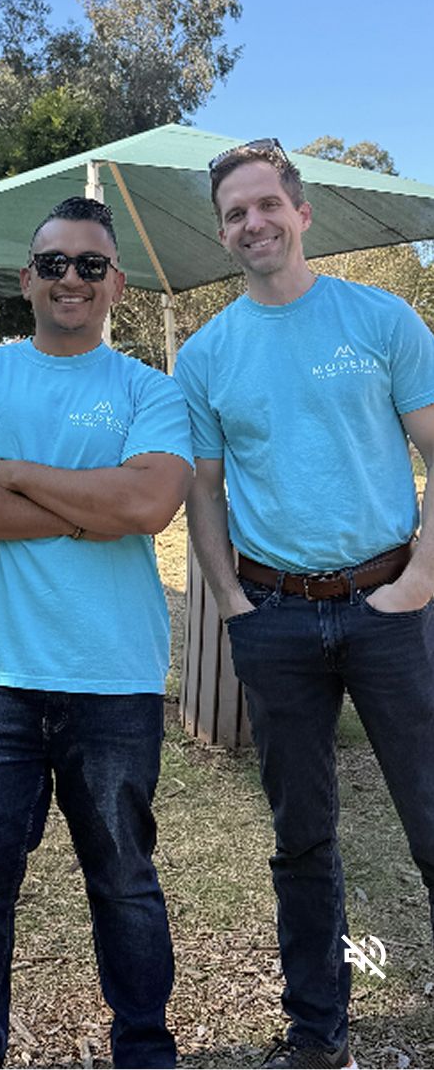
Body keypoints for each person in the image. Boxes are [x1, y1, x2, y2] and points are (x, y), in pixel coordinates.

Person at [0, 196, 193, 1069]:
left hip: (115, 679)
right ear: (28, 277)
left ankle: (144, 1050)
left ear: (116, 284)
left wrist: (16, 475)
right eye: (56, 263)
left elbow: (148, 502)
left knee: (125, 885)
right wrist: (84, 507)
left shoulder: (151, 388)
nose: (73, 278)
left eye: (92, 265)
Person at [174, 137, 434, 1070]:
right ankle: (318, 1033)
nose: (253, 222)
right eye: (235, 212)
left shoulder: (382, 319)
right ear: (224, 231)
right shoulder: (206, 355)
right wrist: (233, 600)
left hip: (391, 603)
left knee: (431, 817)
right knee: (302, 837)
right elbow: (203, 490)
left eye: (266, 204)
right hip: (275, 617)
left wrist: (422, 580)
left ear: (302, 212)